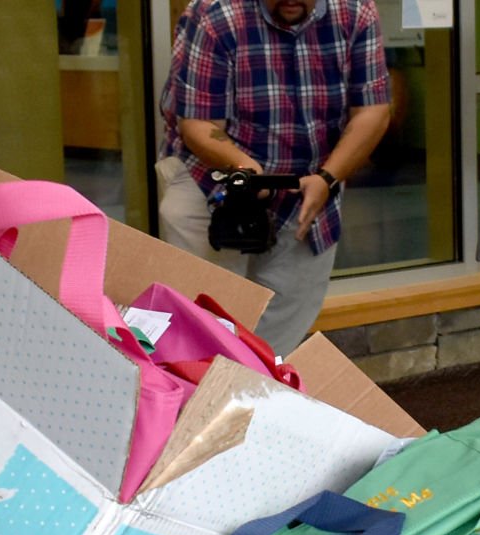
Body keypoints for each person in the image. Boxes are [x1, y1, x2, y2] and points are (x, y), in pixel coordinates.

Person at [156, 0, 391, 356]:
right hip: (211, 182)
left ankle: (253, 398)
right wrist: (247, 171)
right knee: (201, 327)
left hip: (311, 186)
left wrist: (328, 178)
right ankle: (196, 400)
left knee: (279, 335)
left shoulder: (355, 11)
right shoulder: (216, 14)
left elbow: (373, 110)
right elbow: (199, 124)